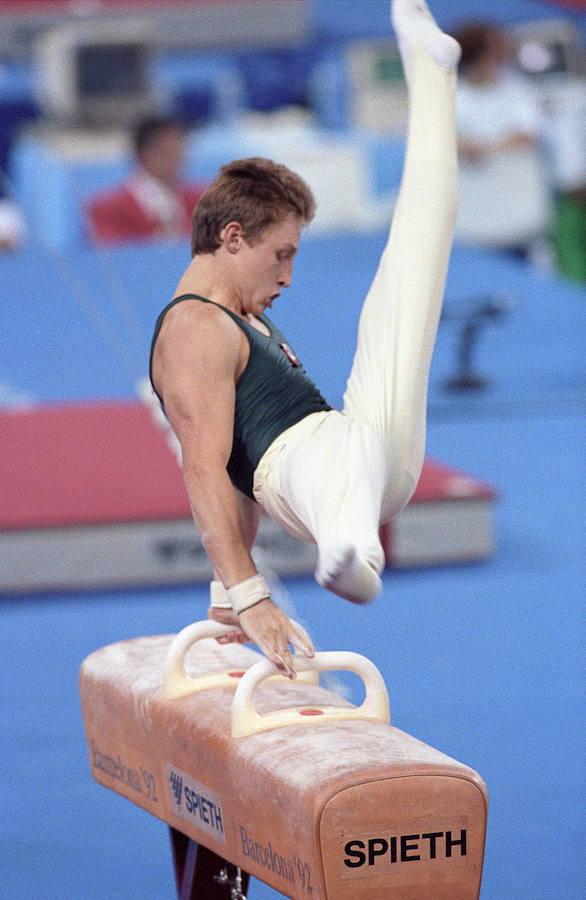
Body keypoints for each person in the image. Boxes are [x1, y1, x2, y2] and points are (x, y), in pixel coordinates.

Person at [150, 0, 461, 678]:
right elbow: (206, 469)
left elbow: (232, 475)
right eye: (282, 255)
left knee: (414, 264)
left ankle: (432, 75)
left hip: (361, 455)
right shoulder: (195, 327)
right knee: (328, 464)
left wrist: (222, 595)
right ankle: (352, 553)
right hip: (307, 471)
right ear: (233, 238)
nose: (289, 276)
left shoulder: (243, 316)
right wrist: (247, 593)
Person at [452, 21, 550, 258]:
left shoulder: (518, 91)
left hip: (518, 216)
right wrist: (461, 146)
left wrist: (484, 148)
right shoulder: (453, 96)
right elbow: (435, 138)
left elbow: (528, 133)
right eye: (492, 51)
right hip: (472, 216)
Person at [87, 116, 206, 245]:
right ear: (145, 154)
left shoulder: (201, 201)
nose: (177, 158)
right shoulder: (108, 208)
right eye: (167, 151)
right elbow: (112, 252)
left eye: (180, 150)